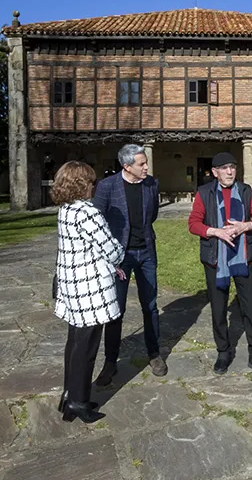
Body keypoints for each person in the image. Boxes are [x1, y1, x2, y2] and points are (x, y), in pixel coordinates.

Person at [50, 161, 124, 423]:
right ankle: (79, 402)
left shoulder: (65, 210)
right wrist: (118, 255)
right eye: (92, 182)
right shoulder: (87, 212)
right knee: (86, 347)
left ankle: (69, 395)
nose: (95, 186)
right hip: (89, 288)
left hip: (73, 284)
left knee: (74, 343)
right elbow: (111, 249)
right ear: (81, 184)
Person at [188, 152, 252, 377]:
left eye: (232, 167)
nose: (230, 171)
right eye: (224, 168)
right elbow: (194, 224)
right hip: (216, 259)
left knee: (251, 308)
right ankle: (223, 352)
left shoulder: (245, 191)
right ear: (214, 172)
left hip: (243, 257)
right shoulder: (204, 193)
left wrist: (245, 226)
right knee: (218, 309)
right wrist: (215, 232)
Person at [93, 144, 166, 382]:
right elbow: (98, 222)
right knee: (116, 310)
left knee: (151, 306)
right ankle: (110, 362)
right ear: (127, 166)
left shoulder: (151, 184)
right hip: (119, 257)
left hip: (146, 253)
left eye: (146, 162)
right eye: (141, 164)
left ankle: (154, 354)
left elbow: (152, 215)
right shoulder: (107, 187)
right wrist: (108, 257)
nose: (146, 167)